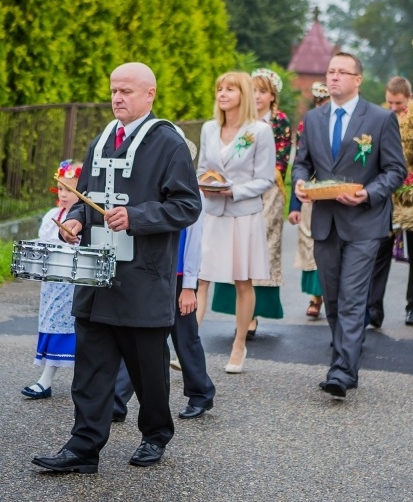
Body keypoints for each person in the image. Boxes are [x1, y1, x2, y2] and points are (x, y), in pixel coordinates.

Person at [31, 62, 201, 473]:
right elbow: (88, 195)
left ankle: (156, 433)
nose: (117, 98)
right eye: (113, 91)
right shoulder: (102, 138)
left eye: (126, 90)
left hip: (142, 279)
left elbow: (187, 205)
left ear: (150, 94)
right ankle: (83, 448)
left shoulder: (169, 143)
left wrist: (136, 217)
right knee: (90, 368)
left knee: (149, 372)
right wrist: (74, 220)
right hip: (96, 277)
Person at [292, 52, 406, 398]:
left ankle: (341, 370)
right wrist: (299, 184)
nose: (334, 77)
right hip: (325, 222)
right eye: (330, 71)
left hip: (365, 222)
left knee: (354, 297)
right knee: (333, 298)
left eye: (343, 72)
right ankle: (346, 362)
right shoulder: (313, 119)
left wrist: (369, 193)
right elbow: (302, 163)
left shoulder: (381, 118)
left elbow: (395, 170)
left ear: (358, 79)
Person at [114, 158, 216, 420]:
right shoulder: (148, 190)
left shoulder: (192, 196)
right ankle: (117, 399)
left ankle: (201, 393)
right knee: (139, 336)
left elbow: (194, 243)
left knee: (185, 337)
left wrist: (190, 287)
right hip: (154, 272)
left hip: (180, 277)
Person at [196, 71, 275, 373]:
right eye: (219, 89)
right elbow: (203, 167)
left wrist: (235, 191)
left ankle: (239, 345)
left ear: (243, 94)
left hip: (243, 215)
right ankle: (189, 345)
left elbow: (265, 179)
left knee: (243, 280)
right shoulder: (208, 129)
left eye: (230, 89)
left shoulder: (260, 131)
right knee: (200, 278)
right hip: (212, 212)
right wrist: (204, 183)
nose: (223, 94)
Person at [211, 68, 290, 337]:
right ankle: (238, 310)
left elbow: (278, 163)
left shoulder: (278, 122)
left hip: (267, 191)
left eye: (263, 91)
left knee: (261, 251)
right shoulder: (229, 122)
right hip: (229, 191)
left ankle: (253, 313)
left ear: (272, 96)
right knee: (230, 252)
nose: (257, 96)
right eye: (253, 90)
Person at [368, 76, 413, 326]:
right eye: (390, 102)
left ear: (410, 99)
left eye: (399, 103)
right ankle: (374, 309)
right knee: (380, 251)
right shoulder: (380, 120)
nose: (394, 108)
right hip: (387, 195)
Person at [21, 160, 82, 399]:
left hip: (74, 283)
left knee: (73, 328)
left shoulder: (85, 221)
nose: (64, 194)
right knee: (52, 324)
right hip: (53, 283)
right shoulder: (51, 216)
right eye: (61, 188)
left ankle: (48, 380)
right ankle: (46, 380)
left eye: (70, 189)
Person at [289, 82, 330, 318]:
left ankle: (330, 296)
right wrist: (295, 205)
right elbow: (300, 164)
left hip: (335, 194)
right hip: (310, 197)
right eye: (318, 103)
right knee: (310, 245)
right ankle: (315, 297)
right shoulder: (307, 125)